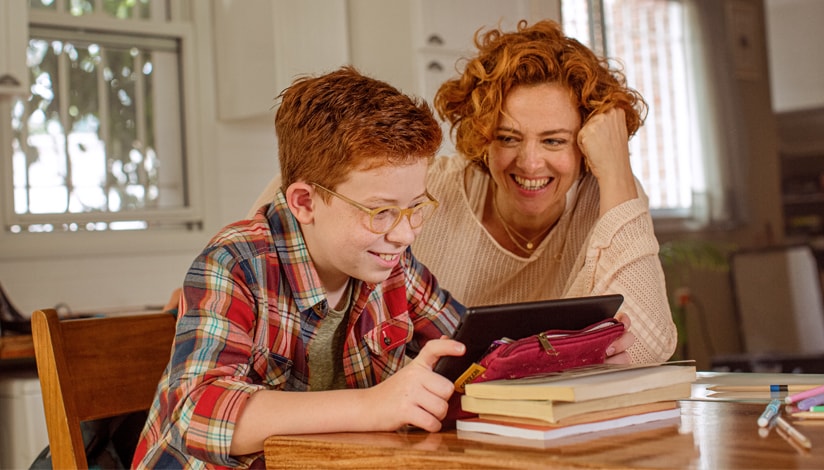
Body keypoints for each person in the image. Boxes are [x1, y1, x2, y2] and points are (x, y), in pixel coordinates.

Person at [250, 20, 677, 365]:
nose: (529, 163)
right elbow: (291, 199)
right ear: (482, 137)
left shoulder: (608, 194)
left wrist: (619, 172)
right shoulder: (420, 191)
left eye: (554, 141)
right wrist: (239, 276)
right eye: (508, 138)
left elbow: (647, 345)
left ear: (584, 147)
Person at [132, 67, 465, 468]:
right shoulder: (236, 262)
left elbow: (469, 345)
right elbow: (199, 415)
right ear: (305, 202)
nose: (405, 234)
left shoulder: (390, 264)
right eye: (380, 212)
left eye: (415, 208)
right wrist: (374, 405)